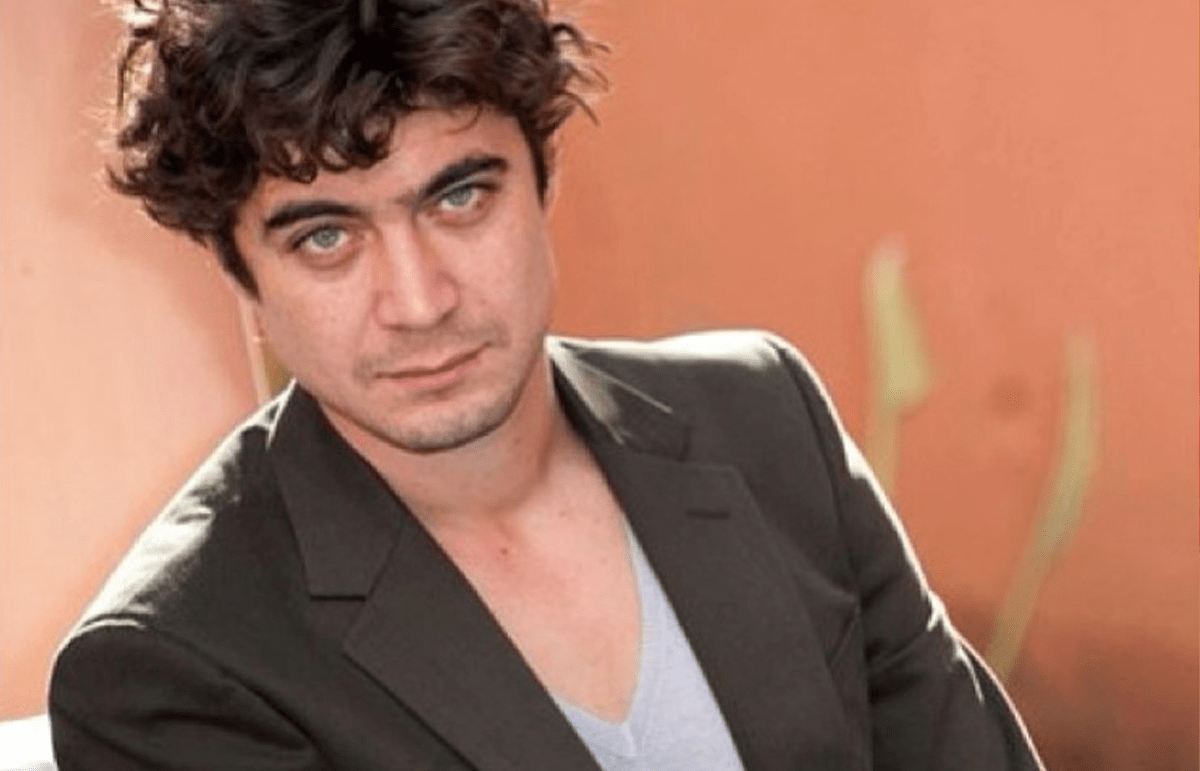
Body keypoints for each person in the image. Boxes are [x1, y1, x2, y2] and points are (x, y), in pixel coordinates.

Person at [49, 1, 1045, 769]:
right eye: (325, 238)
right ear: (239, 274)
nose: (419, 301)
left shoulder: (763, 417)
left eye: (460, 197)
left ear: (543, 180)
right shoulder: (175, 665)